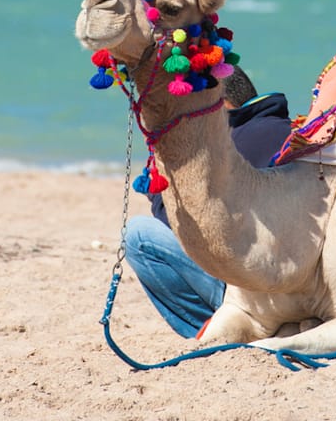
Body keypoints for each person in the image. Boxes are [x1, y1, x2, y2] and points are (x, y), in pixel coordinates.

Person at [124, 65, 293, 338]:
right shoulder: (280, 129)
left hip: (257, 291)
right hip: (290, 286)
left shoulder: (232, 144)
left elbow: (193, 233)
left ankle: (213, 332)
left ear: (216, 105)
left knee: (139, 235)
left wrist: (159, 192)